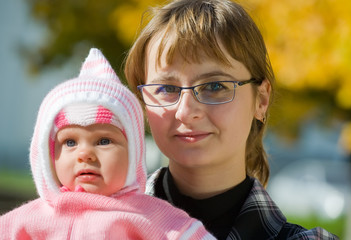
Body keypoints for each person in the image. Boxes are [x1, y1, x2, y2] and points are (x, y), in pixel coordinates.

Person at [124, 0, 339, 239]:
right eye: (166, 88)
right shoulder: (92, 228)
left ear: (261, 100)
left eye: (215, 86)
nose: (185, 111)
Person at [0, 48, 216, 240]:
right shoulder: (26, 221)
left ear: (133, 153)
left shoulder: (150, 217)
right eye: (70, 142)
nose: (85, 154)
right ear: (48, 156)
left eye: (104, 141)